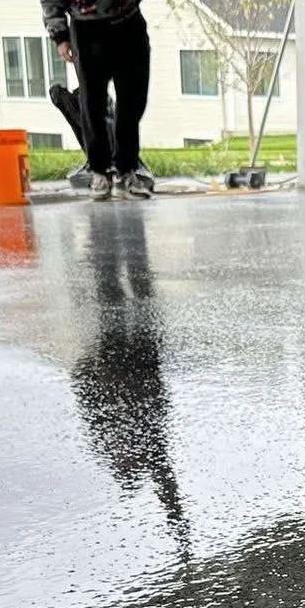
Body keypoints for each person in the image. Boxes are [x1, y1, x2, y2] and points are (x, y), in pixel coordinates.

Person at [71, 215, 189, 552]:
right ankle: (125, 266)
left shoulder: (106, 431)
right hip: (141, 365)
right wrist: (180, 529)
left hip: (119, 361)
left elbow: (84, 391)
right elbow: (166, 481)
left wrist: (86, 372)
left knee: (113, 301)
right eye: (130, 462)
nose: (127, 456)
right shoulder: (148, 446)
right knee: (130, 299)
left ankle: (116, 264)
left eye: (125, 461)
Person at [38, 0, 154, 202]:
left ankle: (127, 169)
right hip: (88, 28)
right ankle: (102, 172)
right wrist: (59, 34)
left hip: (129, 17)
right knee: (93, 103)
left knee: (134, 99)